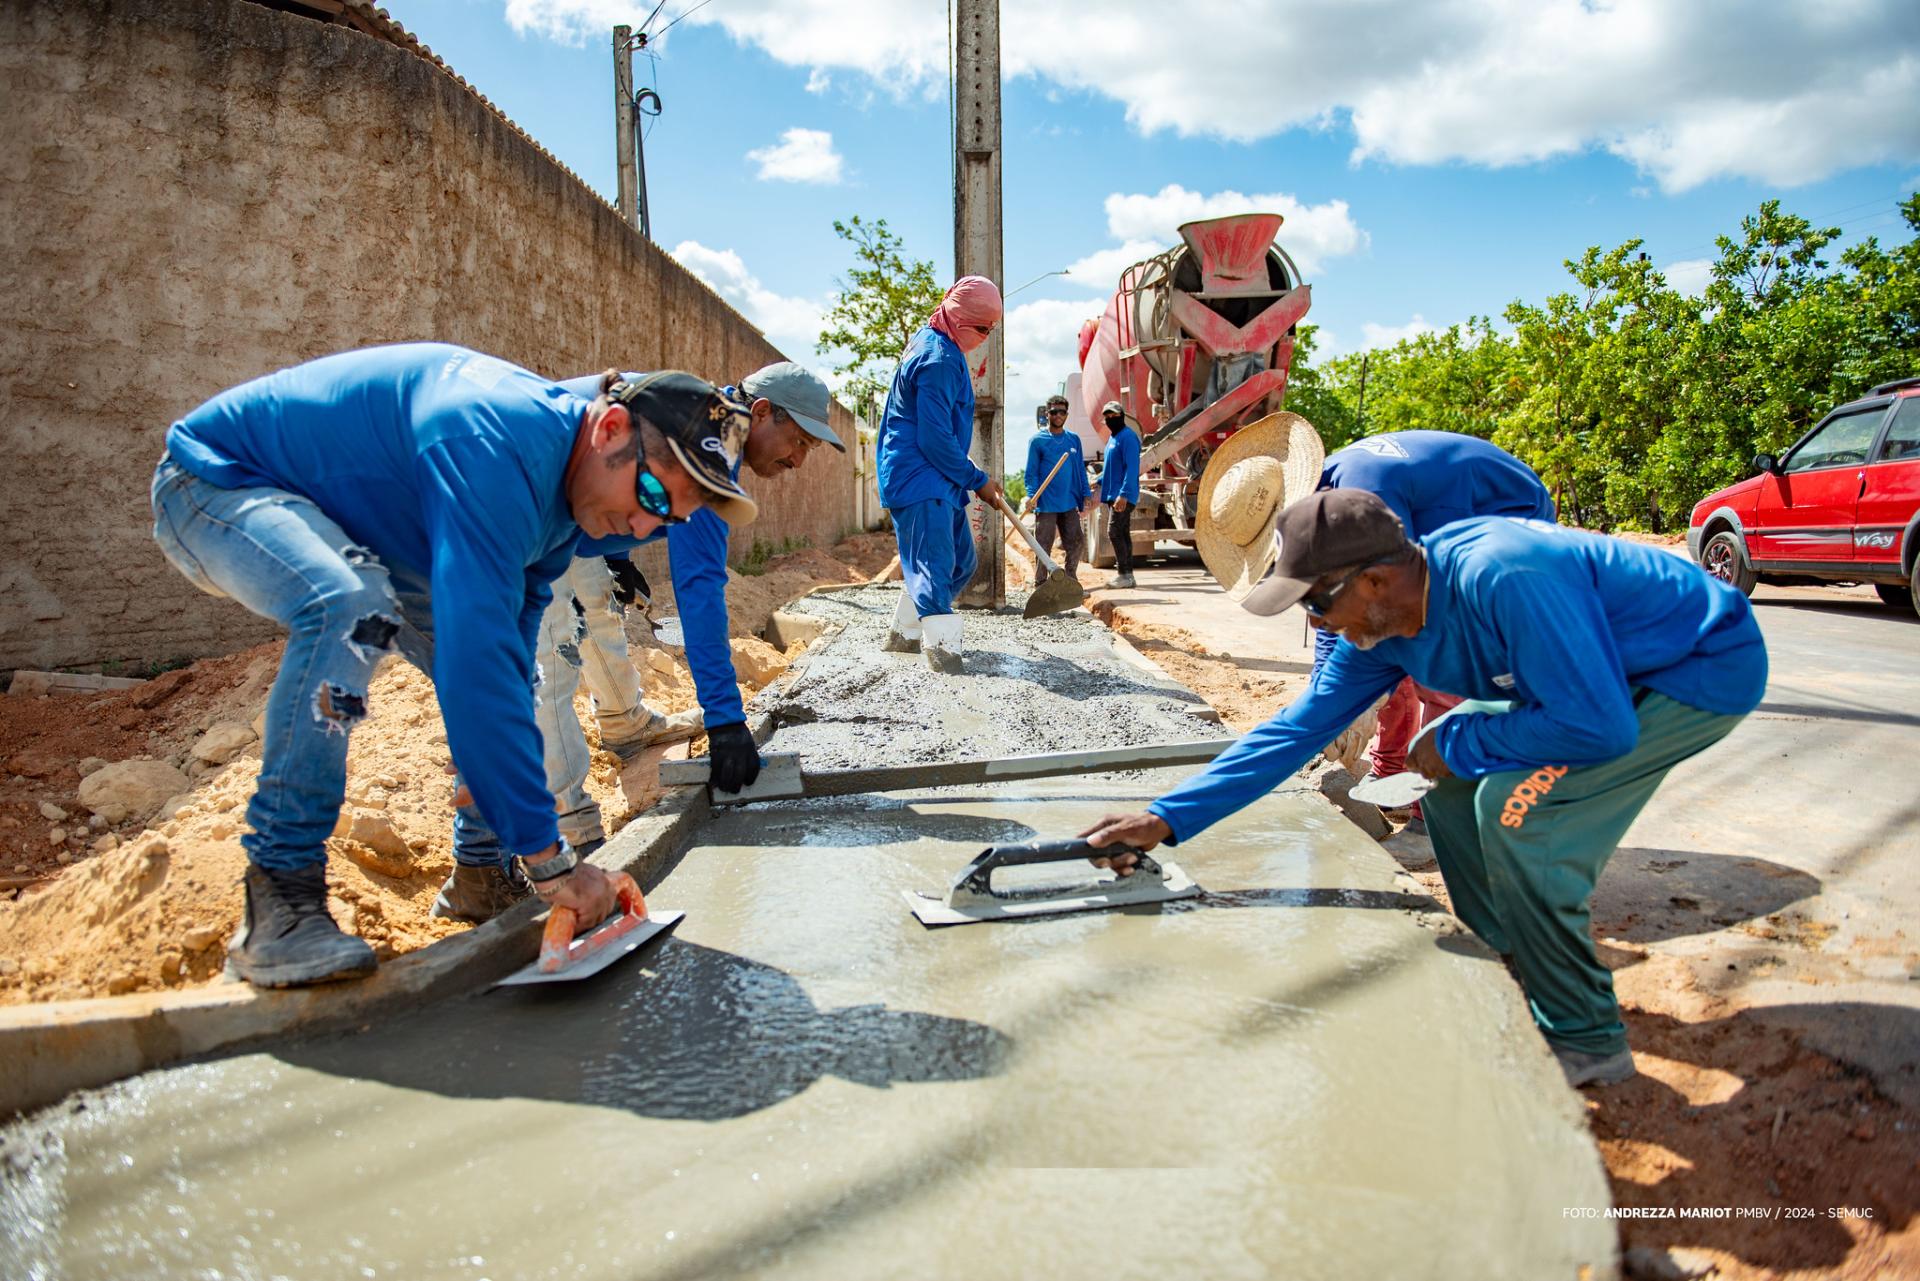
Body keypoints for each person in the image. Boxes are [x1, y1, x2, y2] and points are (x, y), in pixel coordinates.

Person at [1082, 489, 1767, 1088]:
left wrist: (1465, 742)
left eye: (1317, 601)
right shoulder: (1376, 633)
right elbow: (1292, 733)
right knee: (1438, 782)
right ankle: (1508, 954)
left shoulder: (1503, 577)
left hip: (1692, 668)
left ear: (1376, 580)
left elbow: (1599, 726)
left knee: (1519, 815)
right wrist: (1165, 818)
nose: (1318, 624)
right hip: (1589, 675)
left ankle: (1584, 1036)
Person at [150, 344, 755, 987]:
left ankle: (480, 874)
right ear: (609, 430)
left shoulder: (558, 498)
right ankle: (280, 898)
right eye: (652, 493)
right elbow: (473, 661)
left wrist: (499, 773)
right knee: (352, 608)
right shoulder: (493, 443)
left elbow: (506, 644)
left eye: (666, 520)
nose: (639, 525)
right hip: (216, 484)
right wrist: (555, 864)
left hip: (371, 529)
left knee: (511, 683)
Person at [475, 361, 841, 906]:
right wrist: (723, 718)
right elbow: (699, 591)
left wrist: (618, 554)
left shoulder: (710, 419)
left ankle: (626, 726)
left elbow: (618, 465)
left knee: (597, 604)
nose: (798, 460)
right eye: (800, 441)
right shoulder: (704, 448)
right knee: (553, 657)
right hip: (514, 509)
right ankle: (571, 834)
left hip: (565, 508)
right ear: (761, 412)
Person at [1299, 431, 1557, 827]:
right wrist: (1325, 693)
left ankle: (1433, 818)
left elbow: (1390, 596)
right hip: (1443, 521)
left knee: (1438, 663)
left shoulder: (1364, 492)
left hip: (1510, 519)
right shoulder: (1330, 496)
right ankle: (1391, 773)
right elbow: (1339, 611)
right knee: (1381, 646)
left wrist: (1360, 701)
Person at [876, 275, 1005, 673]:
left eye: (992, 330)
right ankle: (946, 665)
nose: (986, 337)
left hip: (937, 479)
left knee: (961, 563)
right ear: (961, 317)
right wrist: (978, 479)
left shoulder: (938, 343)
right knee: (933, 572)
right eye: (983, 328)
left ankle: (903, 635)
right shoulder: (937, 360)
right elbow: (934, 439)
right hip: (920, 476)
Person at [1021, 393, 1092, 577]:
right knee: (1043, 545)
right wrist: (1031, 495)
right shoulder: (1038, 441)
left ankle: (1070, 580)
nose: (1058, 415)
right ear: (1047, 413)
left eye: (1062, 412)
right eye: (1054, 412)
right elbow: (1031, 472)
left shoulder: (1073, 439)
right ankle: (1041, 584)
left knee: (1076, 542)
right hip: (1046, 504)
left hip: (1069, 501)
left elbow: (1079, 469)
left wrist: (1086, 493)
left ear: (1067, 414)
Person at [1098, 400, 1141, 589]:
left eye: (1114, 415)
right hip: (1113, 494)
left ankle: (1123, 574)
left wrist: (1124, 494)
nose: (1110, 419)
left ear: (1122, 416)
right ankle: (1128, 575)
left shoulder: (1128, 437)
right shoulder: (1112, 439)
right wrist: (1098, 480)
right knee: (1122, 533)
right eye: (1107, 416)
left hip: (1122, 496)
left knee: (1114, 532)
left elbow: (1132, 468)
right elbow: (1111, 468)